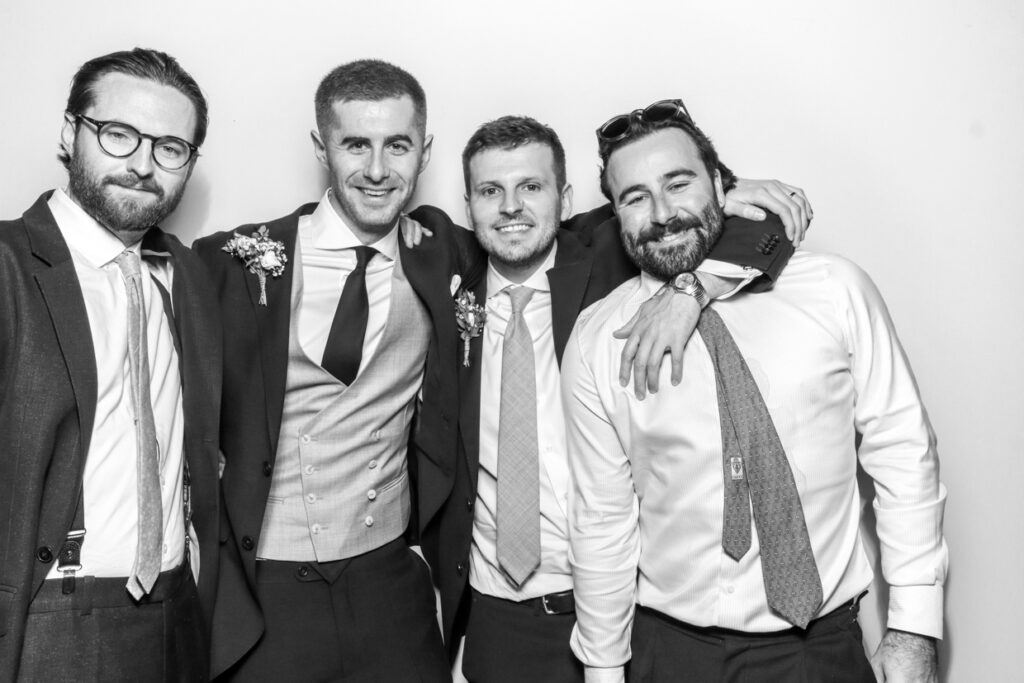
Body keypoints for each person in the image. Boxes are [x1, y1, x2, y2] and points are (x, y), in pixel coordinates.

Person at [561, 101, 947, 682]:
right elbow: (602, 522)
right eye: (635, 197)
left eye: (679, 182)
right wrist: (603, 671)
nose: (662, 213)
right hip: (673, 654)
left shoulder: (833, 290)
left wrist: (915, 627)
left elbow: (904, 454)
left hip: (820, 650)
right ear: (615, 215)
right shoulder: (599, 339)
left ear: (722, 184)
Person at [420, 114, 812, 682]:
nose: (511, 207)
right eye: (490, 191)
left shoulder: (604, 256)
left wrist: (729, 198)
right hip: (496, 616)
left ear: (566, 197)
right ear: (468, 204)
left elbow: (711, 220)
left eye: (531, 187)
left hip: (621, 607)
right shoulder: (446, 278)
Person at [193, 58, 480, 682]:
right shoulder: (232, 261)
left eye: (397, 146)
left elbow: (564, 237)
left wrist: (725, 214)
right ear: (321, 146)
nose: (377, 171)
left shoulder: (443, 252)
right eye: (356, 144)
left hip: (391, 587)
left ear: (424, 151)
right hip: (264, 590)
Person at [0, 48, 222, 681]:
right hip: (43, 618)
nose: (143, 165)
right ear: (70, 134)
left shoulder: (190, 276)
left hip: (177, 617)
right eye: (119, 135)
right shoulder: (9, 266)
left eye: (170, 148)